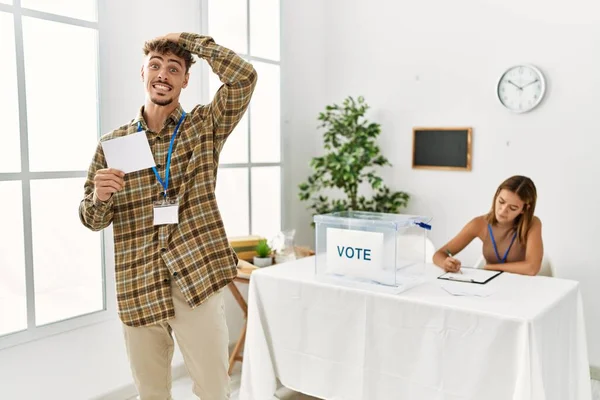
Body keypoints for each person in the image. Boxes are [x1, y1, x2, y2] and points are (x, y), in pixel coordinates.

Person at [79, 32, 257, 399]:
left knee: (213, 389)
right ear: (142, 72)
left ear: (185, 80)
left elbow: (244, 77)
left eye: (174, 68)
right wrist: (99, 197)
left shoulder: (204, 126)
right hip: (138, 281)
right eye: (155, 65)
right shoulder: (114, 145)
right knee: (151, 393)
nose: (163, 74)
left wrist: (186, 41)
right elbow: (92, 219)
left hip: (196, 276)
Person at [433, 175, 543, 276]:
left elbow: (532, 268)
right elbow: (440, 254)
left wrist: (491, 267)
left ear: (524, 209)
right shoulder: (479, 224)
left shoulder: (532, 224)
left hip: (522, 289)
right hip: (489, 290)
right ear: (496, 195)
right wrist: (445, 262)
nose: (503, 210)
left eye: (513, 208)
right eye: (501, 201)